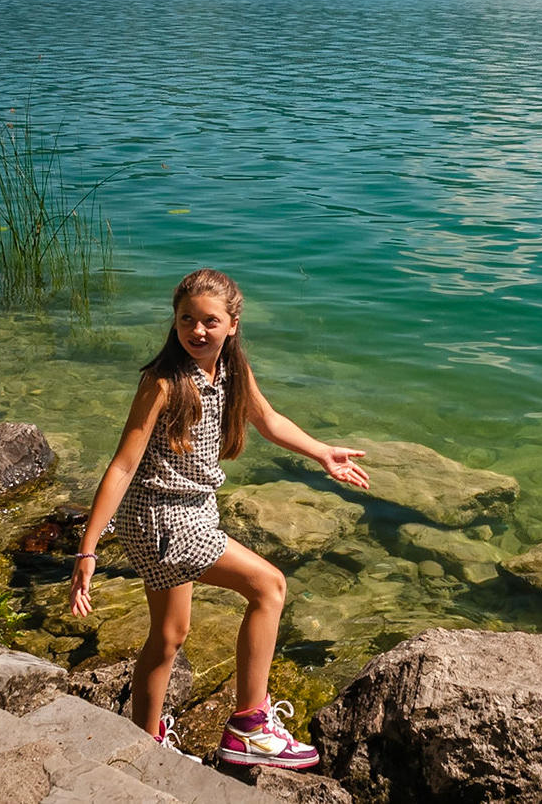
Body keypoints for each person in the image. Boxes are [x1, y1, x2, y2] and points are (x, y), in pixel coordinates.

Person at [67, 268, 369, 769]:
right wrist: (88, 549)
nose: (197, 331)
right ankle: (250, 727)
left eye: (210, 321)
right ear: (175, 321)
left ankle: (143, 743)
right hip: (162, 521)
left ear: (232, 324)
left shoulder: (230, 369)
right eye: (187, 319)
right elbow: (122, 465)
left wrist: (321, 453)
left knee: (169, 637)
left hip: (190, 513)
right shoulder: (163, 382)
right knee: (269, 587)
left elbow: (268, 419)